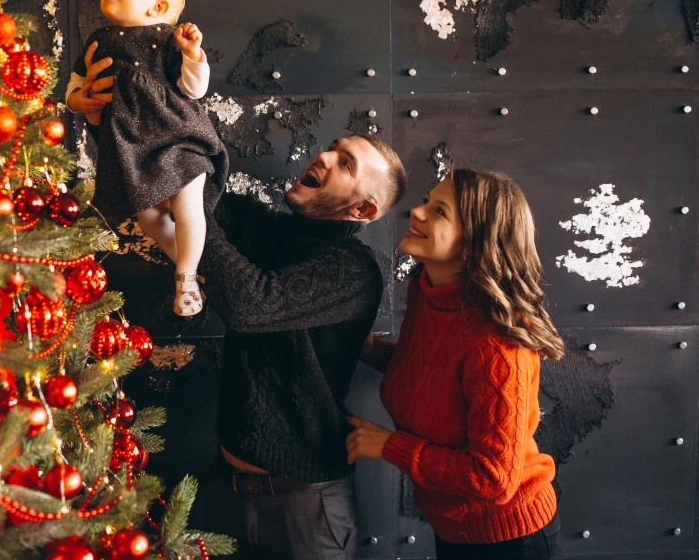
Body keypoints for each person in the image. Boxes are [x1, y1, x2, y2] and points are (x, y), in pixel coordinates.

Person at [196, 135, 407, 559]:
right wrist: (107, 115)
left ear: (363, 210)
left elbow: (250, 304)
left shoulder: (353, 269)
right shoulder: (273, 231)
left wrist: (200, 229)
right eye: (333, 147)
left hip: (306, 508)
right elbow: (190, 189)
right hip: (226, 489)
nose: (324, 156)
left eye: (345, 164)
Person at [347, 168, 565, 560]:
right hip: (454, 528)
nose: (416, 211)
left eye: (439, 211)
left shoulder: (499, 345)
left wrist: (391, 446)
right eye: (427, 200)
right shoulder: (430, 292)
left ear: (474, 242)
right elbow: (434, 375)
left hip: (510, 539)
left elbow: (494, 479)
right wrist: (368, 348)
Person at [65, 0, 227, 316]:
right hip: (134, 151)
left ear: (158, 6)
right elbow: (73, 89)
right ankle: (192, 267)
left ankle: (185, 276)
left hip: (179, 138)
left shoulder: (169, 39)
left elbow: (193, 89)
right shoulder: (99, 41)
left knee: (187, 205)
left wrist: (193, 55)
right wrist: (80, 99)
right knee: (149, 220)